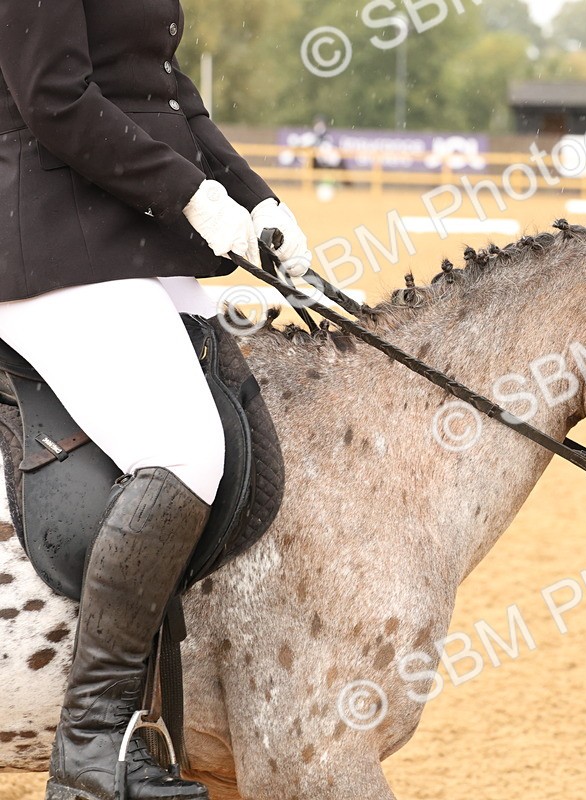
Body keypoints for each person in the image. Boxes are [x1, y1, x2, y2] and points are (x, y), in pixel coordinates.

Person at [0, 2, 312, 799]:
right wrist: (189, 194)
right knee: (184, 449)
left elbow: (167, 90)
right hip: (49, 238)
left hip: (128, 235)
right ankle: (93, 741)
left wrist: (254, 197)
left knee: (248, 424)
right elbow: (54, 98)